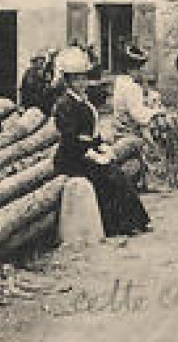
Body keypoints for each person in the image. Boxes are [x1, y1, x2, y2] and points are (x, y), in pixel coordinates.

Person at [51, 74, 150, 237]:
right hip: (70, 158)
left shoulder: (84, 101)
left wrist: (102, 146)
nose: (82, 83)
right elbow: (70, 139)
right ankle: (118, 226)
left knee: (115, 172)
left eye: (84, 79)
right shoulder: (64, 104)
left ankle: (135, 221)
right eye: (77, 80)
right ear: (68, 82)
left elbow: (92, 134)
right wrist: (93, 155)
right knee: (107, 175)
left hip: (85, 152)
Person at [110, 47, 178, 189]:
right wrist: (157, 113)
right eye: (137, 68)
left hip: (123, 127)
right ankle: (164, 176)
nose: (140, 72)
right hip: (129, 131)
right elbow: (139, 115)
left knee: (166, 124)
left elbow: (144, 102)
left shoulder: (122, 83)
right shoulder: (130, 87)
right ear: (130, 69)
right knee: (165, 129)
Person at [19, 51, 55, 117]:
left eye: (43, 60)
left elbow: (48, 72)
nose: (42, 62)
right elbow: (29, 89)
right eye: (40, 60)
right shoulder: (30, 73)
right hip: (33, 105)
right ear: (34, 62)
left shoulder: (39, 72)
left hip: (39, 105)